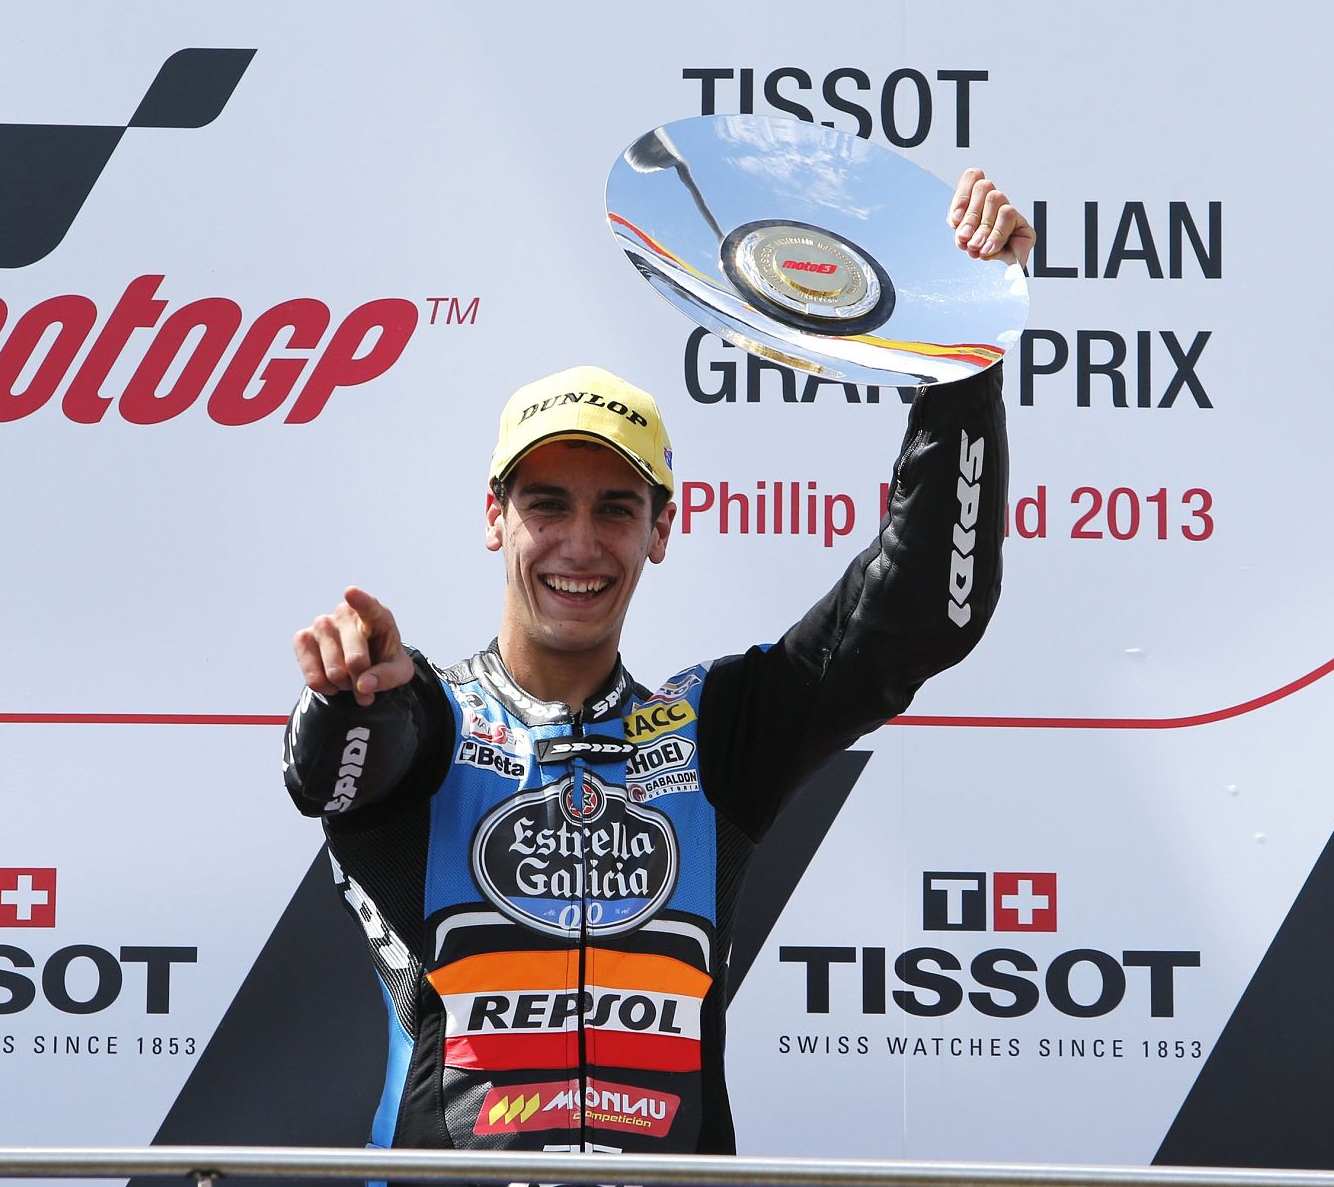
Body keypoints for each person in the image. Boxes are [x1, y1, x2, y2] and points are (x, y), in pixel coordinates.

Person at [283, 170, 1032, 1158]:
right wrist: (354, 696)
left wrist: (963, 350)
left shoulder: (716, 731)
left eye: (616, 509)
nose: (579, 544)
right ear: (494, 517)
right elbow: (345, 763)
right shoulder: (431, 725)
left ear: (661, 532)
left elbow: (921, 610)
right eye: (547, 504)